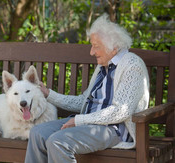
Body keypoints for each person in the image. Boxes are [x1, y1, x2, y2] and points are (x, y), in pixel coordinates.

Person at [25, 13, 150, 163]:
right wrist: (48, 94)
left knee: (57, 142)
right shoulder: (102, 66)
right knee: (38, 133)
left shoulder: (132, 65)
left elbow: (121, 111)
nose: (91, 52)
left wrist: (79, 121)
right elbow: (83, 101)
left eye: (96, 47)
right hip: (87, 124)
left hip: (112, 129)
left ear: (114, 48)